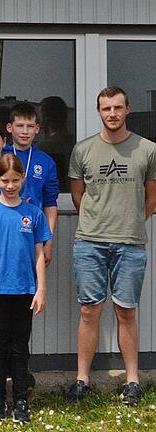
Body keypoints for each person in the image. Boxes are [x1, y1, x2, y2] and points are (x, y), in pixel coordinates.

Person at [66, 86, 156, 406]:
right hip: (89, 242)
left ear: (128, 109)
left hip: (130, 243)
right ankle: (81, 380)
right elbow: (78, 196)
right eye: (106, 109)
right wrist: (99, 220)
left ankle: (132, 381)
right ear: (99, 111)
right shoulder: (83, 150)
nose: (112, 114)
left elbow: (152, 198)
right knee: (89, 311)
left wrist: (130, 220)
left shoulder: (147, 149)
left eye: (118, 108)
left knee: (126, 312)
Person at [0, 154, 50, 423]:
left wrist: (41, 289)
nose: (10, 186)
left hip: (24, 290)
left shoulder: (33, 214)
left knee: (20, 347)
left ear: (23, 180)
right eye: (5, 180)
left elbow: (39, 254)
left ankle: (20, 400)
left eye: (15, 180)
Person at [5, 102, 59, 266]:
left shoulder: (46, 161)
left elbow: (50, 203)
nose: (24, 131)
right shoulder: (1, 156)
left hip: (32, 232)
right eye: (19, 125)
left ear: (37, 129)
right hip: (3, 229)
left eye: (29, 126)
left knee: (31, 284)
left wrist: (48, 240)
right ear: (9, 127)